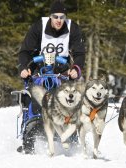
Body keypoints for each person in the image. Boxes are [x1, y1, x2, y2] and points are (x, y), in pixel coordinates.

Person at [17, 0, 85, 154]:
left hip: (62, 71)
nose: (59, 20)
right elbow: (25, 51)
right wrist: (23, 68)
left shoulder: (72, 28)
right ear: (50, 16)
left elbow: (80, 53)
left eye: (62, 17)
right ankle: (28, 134)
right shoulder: (38, 26)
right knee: (33, 96)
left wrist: (76, 68)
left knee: (67, 99)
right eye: (55, 17)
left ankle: (72, 138)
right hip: (38, 68)